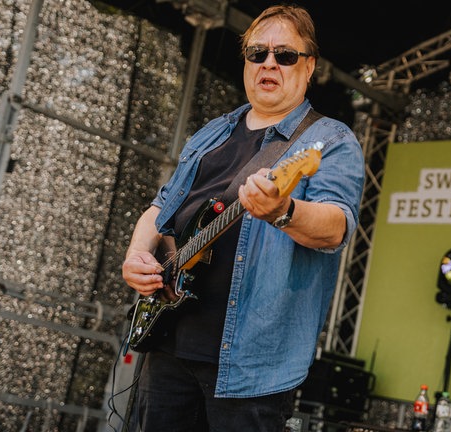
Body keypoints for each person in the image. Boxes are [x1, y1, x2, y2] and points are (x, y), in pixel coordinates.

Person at [121, 4, 365, 431]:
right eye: (258, 53)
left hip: (252, 366)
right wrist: (137, 256)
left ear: (309, 67)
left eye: (285, 55)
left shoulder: (330, 140)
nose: (269, 63)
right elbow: (160, 209)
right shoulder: (212, 132)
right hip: (169, 340)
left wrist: (284, 210)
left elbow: (336, 226)